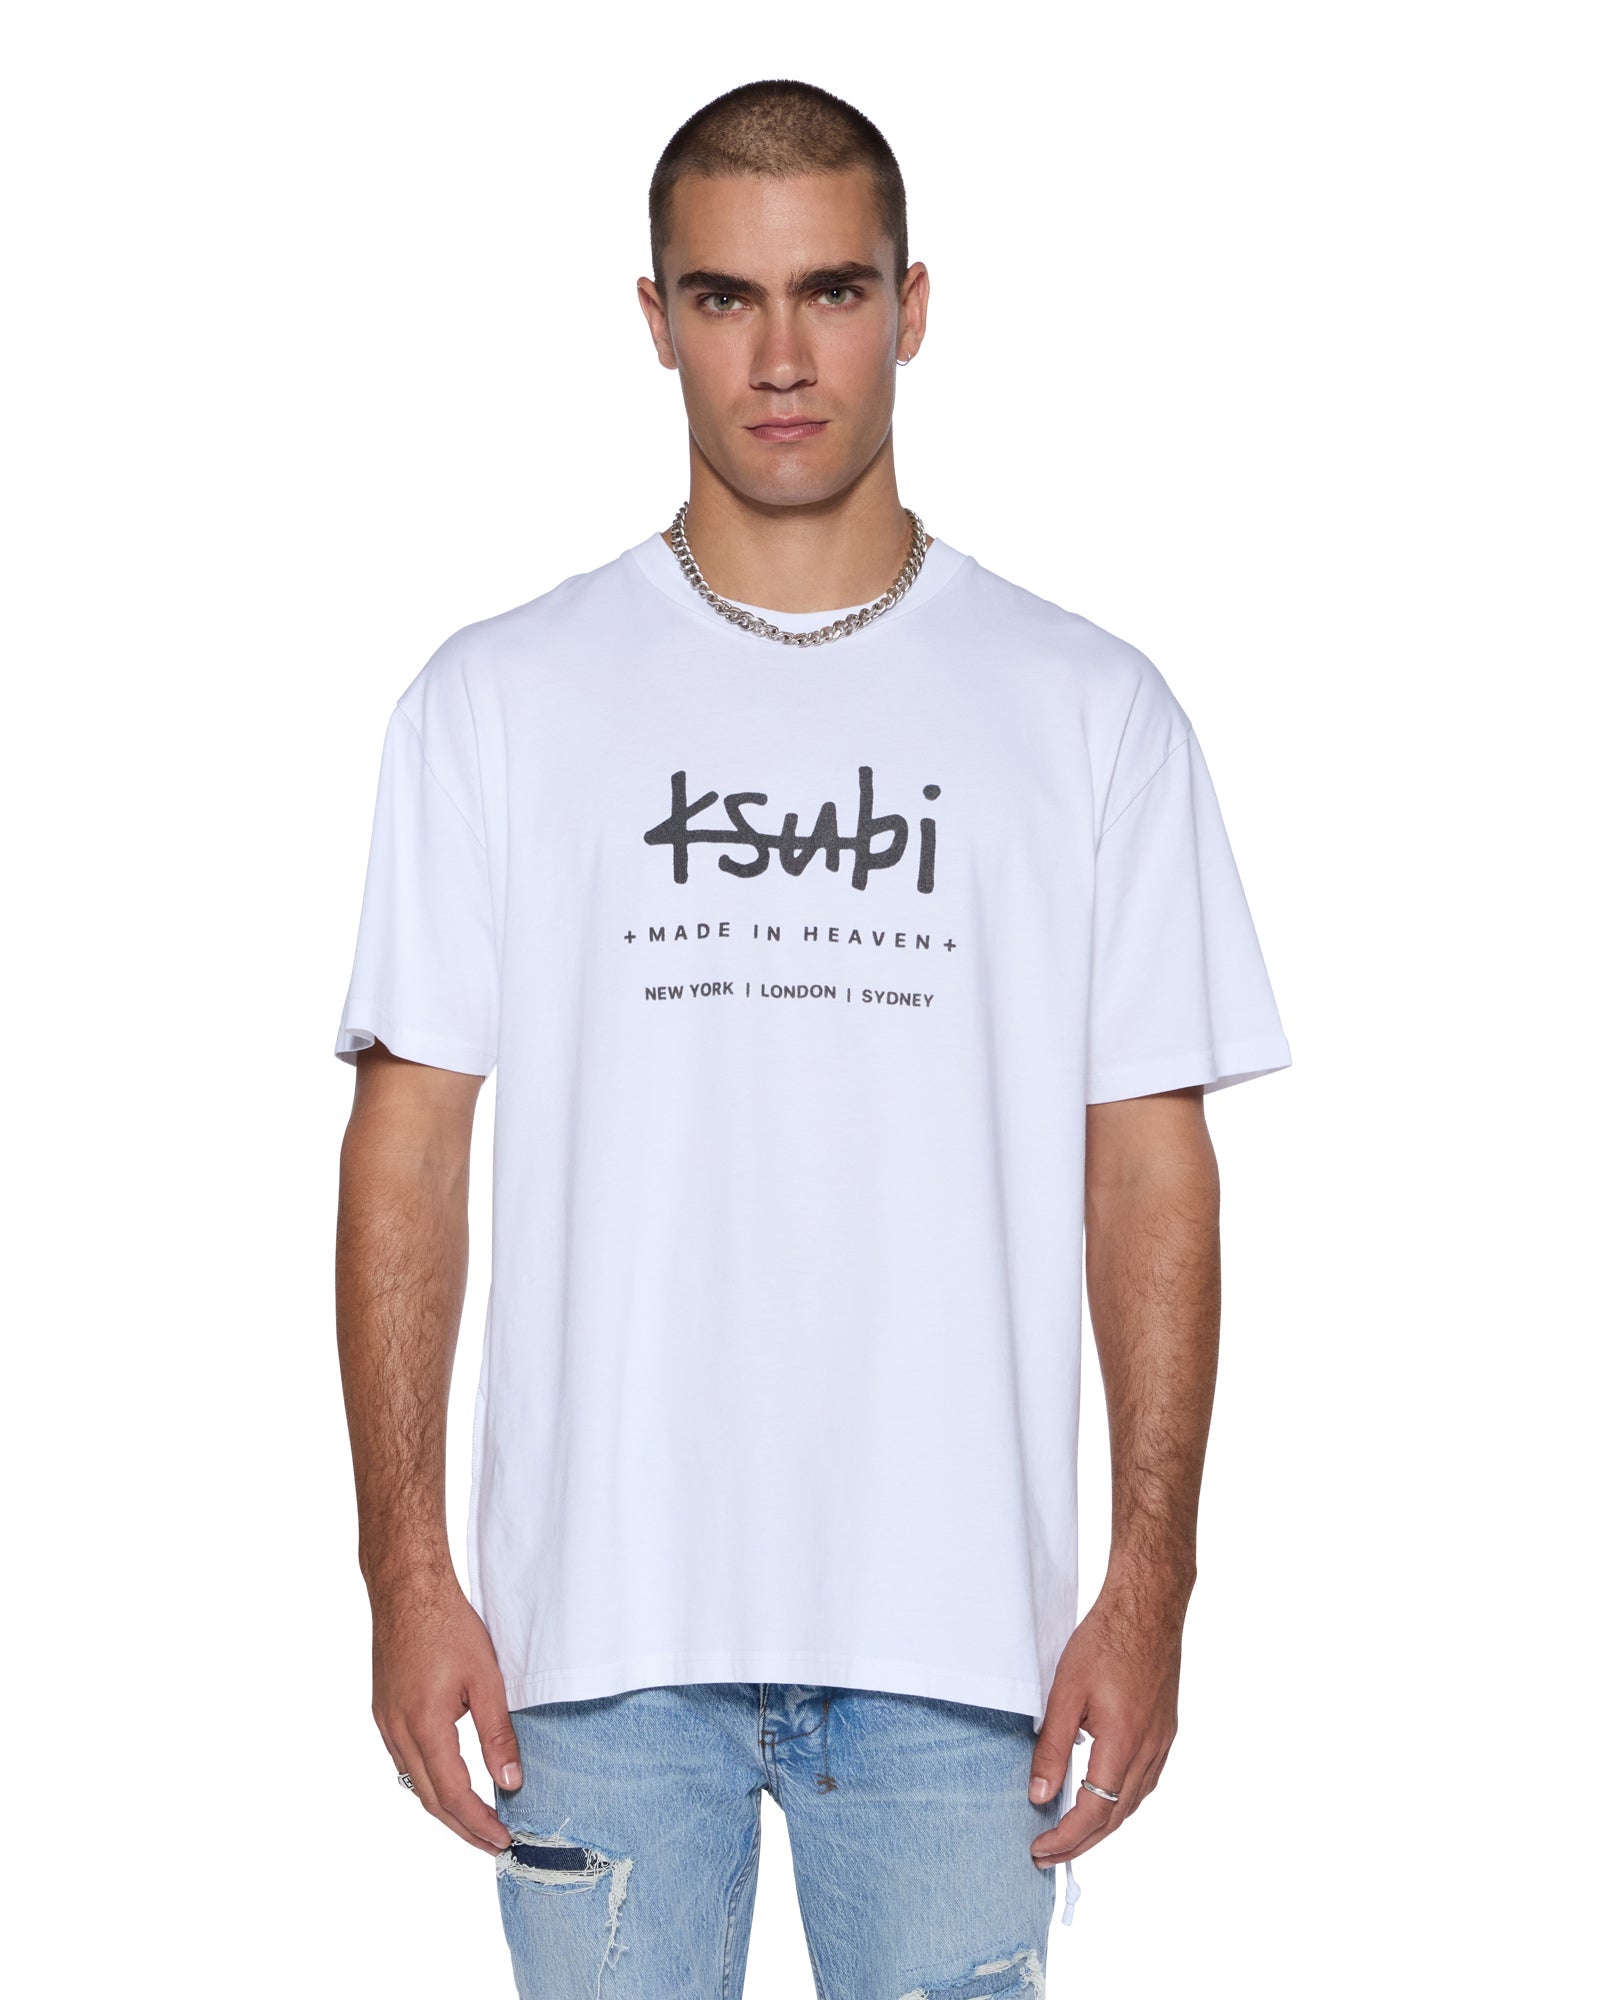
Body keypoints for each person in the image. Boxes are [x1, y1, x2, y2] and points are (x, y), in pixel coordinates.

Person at [333, 77, 1292, 1999]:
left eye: (833, 292)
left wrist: (1151, 1582)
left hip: (959, 1646)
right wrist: (406, 1572)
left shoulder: (1088, 710)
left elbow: (1148, 1172)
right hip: (595, 1643)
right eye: (725, 297)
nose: (781, 357)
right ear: (657, 317)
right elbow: (408, 1154)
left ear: (912, 305)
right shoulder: (497, 701)